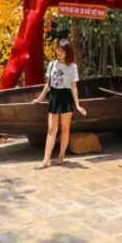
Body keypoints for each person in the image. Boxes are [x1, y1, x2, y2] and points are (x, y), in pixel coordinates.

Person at [33, 40, 87, 168]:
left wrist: (77, 105)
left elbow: (74, 87)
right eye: (58, 49)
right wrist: (40, 98)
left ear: (67, 52)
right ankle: (46, 160)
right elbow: (48, 85)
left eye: (62, 50)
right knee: (51, 130)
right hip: (54, 97)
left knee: (65, 129)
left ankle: (61, 155)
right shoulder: (52, 64)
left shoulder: (72, 67)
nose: (59, 52)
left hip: (66, 98)